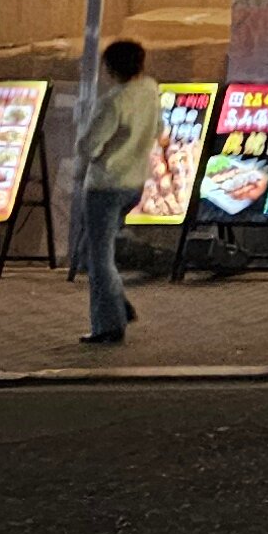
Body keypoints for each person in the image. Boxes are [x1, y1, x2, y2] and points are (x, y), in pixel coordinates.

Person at [76, 37, 160, 344]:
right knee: (97, 251)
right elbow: (159, 129)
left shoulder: (114, 101)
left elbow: (88, 144)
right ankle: (119, 307)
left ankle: (109, 325)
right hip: (135, 182)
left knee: (98, 258)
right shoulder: (150, 90)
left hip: (105, 186)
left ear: (110, 68)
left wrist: (94, 156)